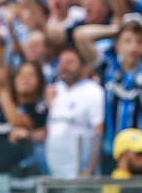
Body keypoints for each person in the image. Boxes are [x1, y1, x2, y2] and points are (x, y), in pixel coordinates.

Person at [74, 16, 142, 172]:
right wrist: (115, 30)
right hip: (111, 149)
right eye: (127, 41)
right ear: (117, 45)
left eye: (139, 42)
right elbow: (80, 35)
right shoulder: (107, 66)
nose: (133, 47)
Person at [0, 61, 48, 193]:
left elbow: (17, 121)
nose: (25, 79)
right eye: (21, 75)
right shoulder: (3, 105)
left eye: (31, 75)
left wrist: (3, 91)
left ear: (39, 81)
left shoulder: (38, 107)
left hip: (24, 173)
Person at [43, 45, 103, 178]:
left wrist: (89, 168)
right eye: (61, 62)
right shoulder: (55, 90)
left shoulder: (93, 91)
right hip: (54, 167)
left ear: (84, 66)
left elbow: (98, 132)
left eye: (70, 62)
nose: (63, 67)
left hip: (79, 167)